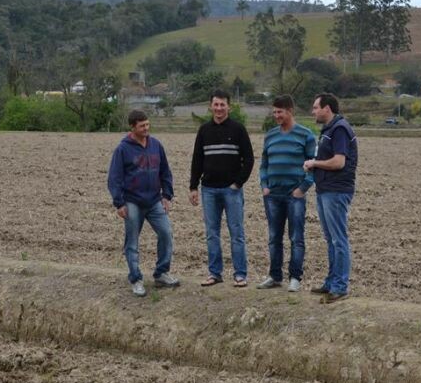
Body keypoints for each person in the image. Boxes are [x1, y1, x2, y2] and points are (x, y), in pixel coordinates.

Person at [107, 110, 180, 297]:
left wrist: (167, 195)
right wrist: (119, 203)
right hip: (132, 202)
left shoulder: (156, 145)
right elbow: (114, 178)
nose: (146, 128)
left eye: (148, 124)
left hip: (155, 200)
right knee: (132, 241)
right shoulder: (123, 149)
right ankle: (136, 279)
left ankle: (161, 272)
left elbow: (165, 171)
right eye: (142, 126)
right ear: (133, 127)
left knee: (166, 233)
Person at [189, 89, 255, 287]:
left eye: (222, 104)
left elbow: (249, 159)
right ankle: (214, 273)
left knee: (236, 233)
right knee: (212, 233)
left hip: (231, 190)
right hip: (208, 189)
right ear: (211, 106)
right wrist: (193, 186)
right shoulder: (204, 130)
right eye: (215, 104)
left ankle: (240, 274)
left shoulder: (238, 129)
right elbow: (197, 159)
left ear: (229, 106)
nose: (219, 108)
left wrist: (238, 183)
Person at [257, 94, 316, 292]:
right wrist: (264, 185)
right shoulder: (270, 135)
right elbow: (264, 164)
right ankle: (274, 276)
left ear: (290, 111)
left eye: (279, 112)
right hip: (272, 195)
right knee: (274, 237)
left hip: (294, 195)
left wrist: (302, 189)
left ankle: (295, 277)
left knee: (296, 237)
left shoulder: (306, 135)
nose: (276, 115)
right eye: (274, 112)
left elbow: (313, 165)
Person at [303, 93, 358, 304]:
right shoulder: (329, 130)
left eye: (316, 107)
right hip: (325, 189)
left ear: (327, 108)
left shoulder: (340, 129)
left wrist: (315, 163)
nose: (313, 111)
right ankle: (331, 282)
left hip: (336, 190)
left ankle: (340, 286)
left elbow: (338, 162)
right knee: (331, 239)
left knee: (338, 239)